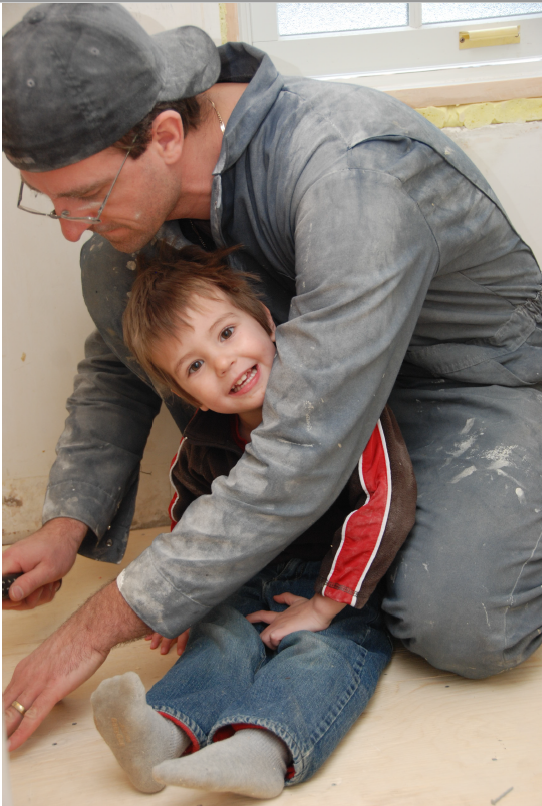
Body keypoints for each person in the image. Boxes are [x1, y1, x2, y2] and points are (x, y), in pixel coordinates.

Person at [2, 3, 541, 751]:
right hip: (321, 405)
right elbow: (121, 365)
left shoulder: (345, 171)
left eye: (86, 195)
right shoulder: (141, 222)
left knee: (465, 622)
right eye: (49, 199)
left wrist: (106, 620)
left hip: (464, 392)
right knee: (114, 275)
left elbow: (308, 438)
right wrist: (67, 527)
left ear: (163, 136)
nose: (69, 224)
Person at [88, 245, 415, 798]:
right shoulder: (203, 441)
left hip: (339, 579)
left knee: (324, 651)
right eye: (194, 365)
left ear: (266, 322)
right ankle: (164, 733)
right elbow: (190, 516)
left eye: (226, 333)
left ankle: (263, 747)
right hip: (250, 575)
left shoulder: (336, 401)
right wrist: (188, 601)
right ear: (185, 392)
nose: (222, 363)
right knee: (218, 636)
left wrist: (326, 603)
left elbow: (384, 501)